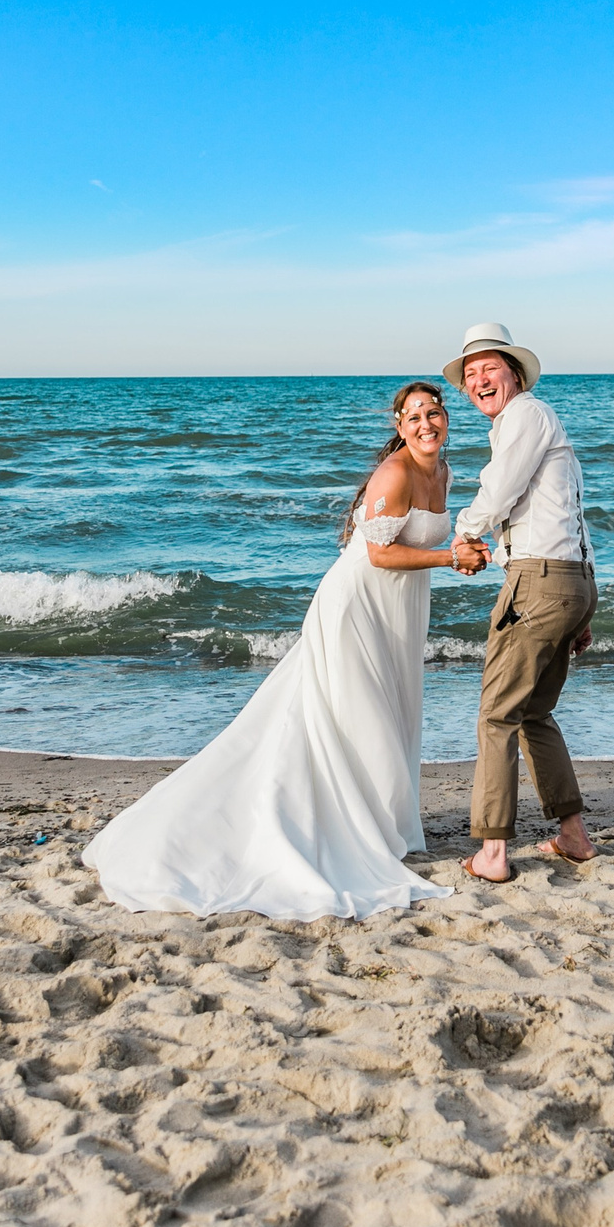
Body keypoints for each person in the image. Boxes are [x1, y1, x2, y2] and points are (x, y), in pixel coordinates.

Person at [83, 382, 472, 919]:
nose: (426, 423)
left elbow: (416, 543)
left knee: (392, 707)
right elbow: (380, 554)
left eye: (433, 412)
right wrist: (451, 558)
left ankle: (382, 825)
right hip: (358, 603)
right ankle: (354, 829)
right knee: (357, 713)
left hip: (401, 605)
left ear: (445, 417)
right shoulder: (396, 473)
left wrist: (467, 548)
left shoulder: (442, 471)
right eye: (414, 417)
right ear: (399, 427)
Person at [444, 322, 597, 885]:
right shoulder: (536, 420)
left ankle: (492, 853)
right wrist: (583, 607)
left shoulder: (524, 416)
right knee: (533, 712)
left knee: (498, 715)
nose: (479, 380)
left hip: (539, 582)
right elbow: (572, 515)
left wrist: (463, 533)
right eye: (471, 373)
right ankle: (573, 836)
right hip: (570, 579)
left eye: (490, 368)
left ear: (515, 374)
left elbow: (499, 489)